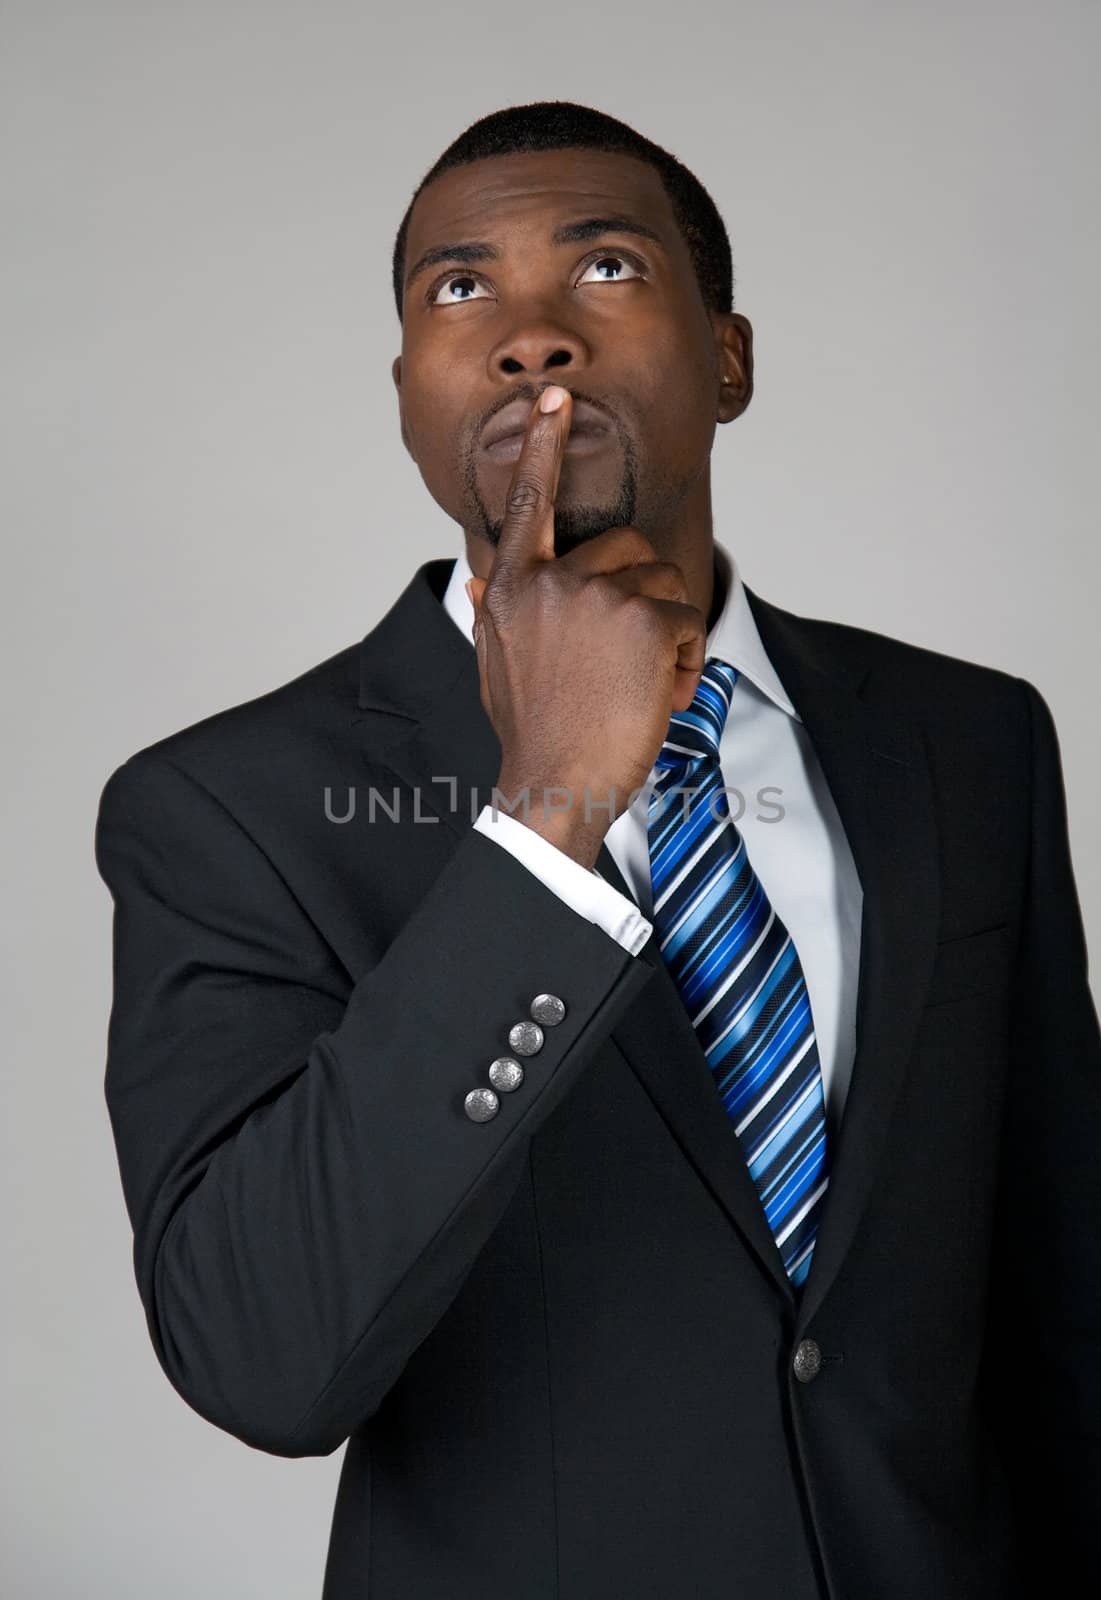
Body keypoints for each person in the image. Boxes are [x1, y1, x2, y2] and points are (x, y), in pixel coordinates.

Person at [94, 100, 1100, 1598]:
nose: (529, 336)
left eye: (607, 268)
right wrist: (548, 810)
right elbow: (261, 1356)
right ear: (407, 391)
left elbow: (1058, 1289)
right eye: (458, 289)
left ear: (730, 357)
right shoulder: (224, 807)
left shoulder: (968, 741)